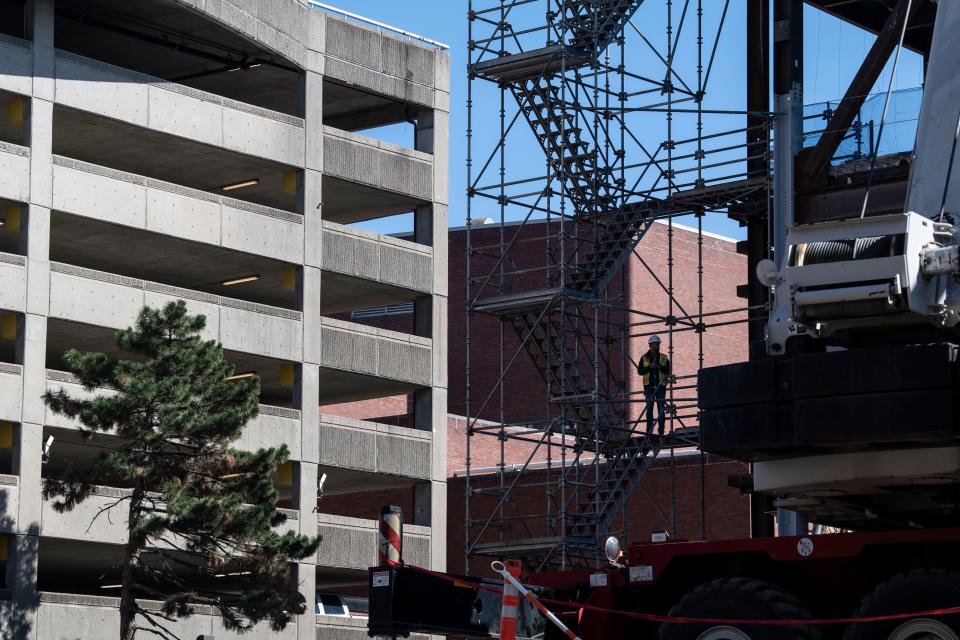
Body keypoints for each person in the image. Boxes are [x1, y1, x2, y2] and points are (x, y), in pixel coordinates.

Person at [637, 335, 671, 435]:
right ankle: (649, 431)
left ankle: (661, 431)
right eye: (655, 344)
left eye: (658, 344)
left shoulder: (664, 358)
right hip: (649, 388)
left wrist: (660, 367)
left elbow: (668, 370)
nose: (657, 346)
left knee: (661, 410)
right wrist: (650, 367)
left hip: (661, 387)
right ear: (650, 345)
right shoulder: (644, 358)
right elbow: (640, 371)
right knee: (649, 410)